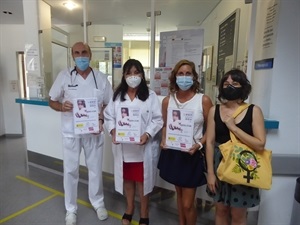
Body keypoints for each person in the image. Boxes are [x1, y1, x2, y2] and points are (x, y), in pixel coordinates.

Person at [48, 42, 113, 225]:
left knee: (95, 170)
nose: (81, 56)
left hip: (93, 132)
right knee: (70, 171)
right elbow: (51, 101)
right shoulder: (64, 76)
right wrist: (61, 107)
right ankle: (71, 209)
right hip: (71, 133)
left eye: (84, 52)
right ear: (72, 56)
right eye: (77, 53)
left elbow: (109, 103)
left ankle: (98, 202)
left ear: (90, 54)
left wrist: (101, 117)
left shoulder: (100, 78)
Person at [104, 59, 163, 225]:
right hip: (124, 148)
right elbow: (109, 117)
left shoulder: (150, 96)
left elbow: (158, 119)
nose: (133, 76)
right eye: (129, 73)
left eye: (136, 72)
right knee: (128, 180)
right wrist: (113, 131)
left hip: (142, 148)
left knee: (142, 182)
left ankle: (144, 212)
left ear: (142, 76)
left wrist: (147, 134)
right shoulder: (117, 96)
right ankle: (129, 208)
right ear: (124, 76)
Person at [205, 69, 266, 225]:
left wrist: (234, 128)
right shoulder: (215, 110)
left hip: (243, 166)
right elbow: (210, 142)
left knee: (238, 215)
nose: (230, 86)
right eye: (226, 83)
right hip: (219, 166)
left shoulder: (254, 111)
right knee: (220, 211)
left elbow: (260, 143)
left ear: (243, 87)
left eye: (235, 83)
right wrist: (210, 173)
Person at [158, 59, 213, 225]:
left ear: (194, 77)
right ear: (175, 77)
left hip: (192, 155)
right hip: (174, 154)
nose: (184, 77)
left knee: (189, 204)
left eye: (188, 73)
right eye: (180, 74)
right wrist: (163, 140)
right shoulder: (168, 101)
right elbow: (166, 125)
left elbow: (211, 130)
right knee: (180, 198)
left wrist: (200, 144)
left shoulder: (203, 100)